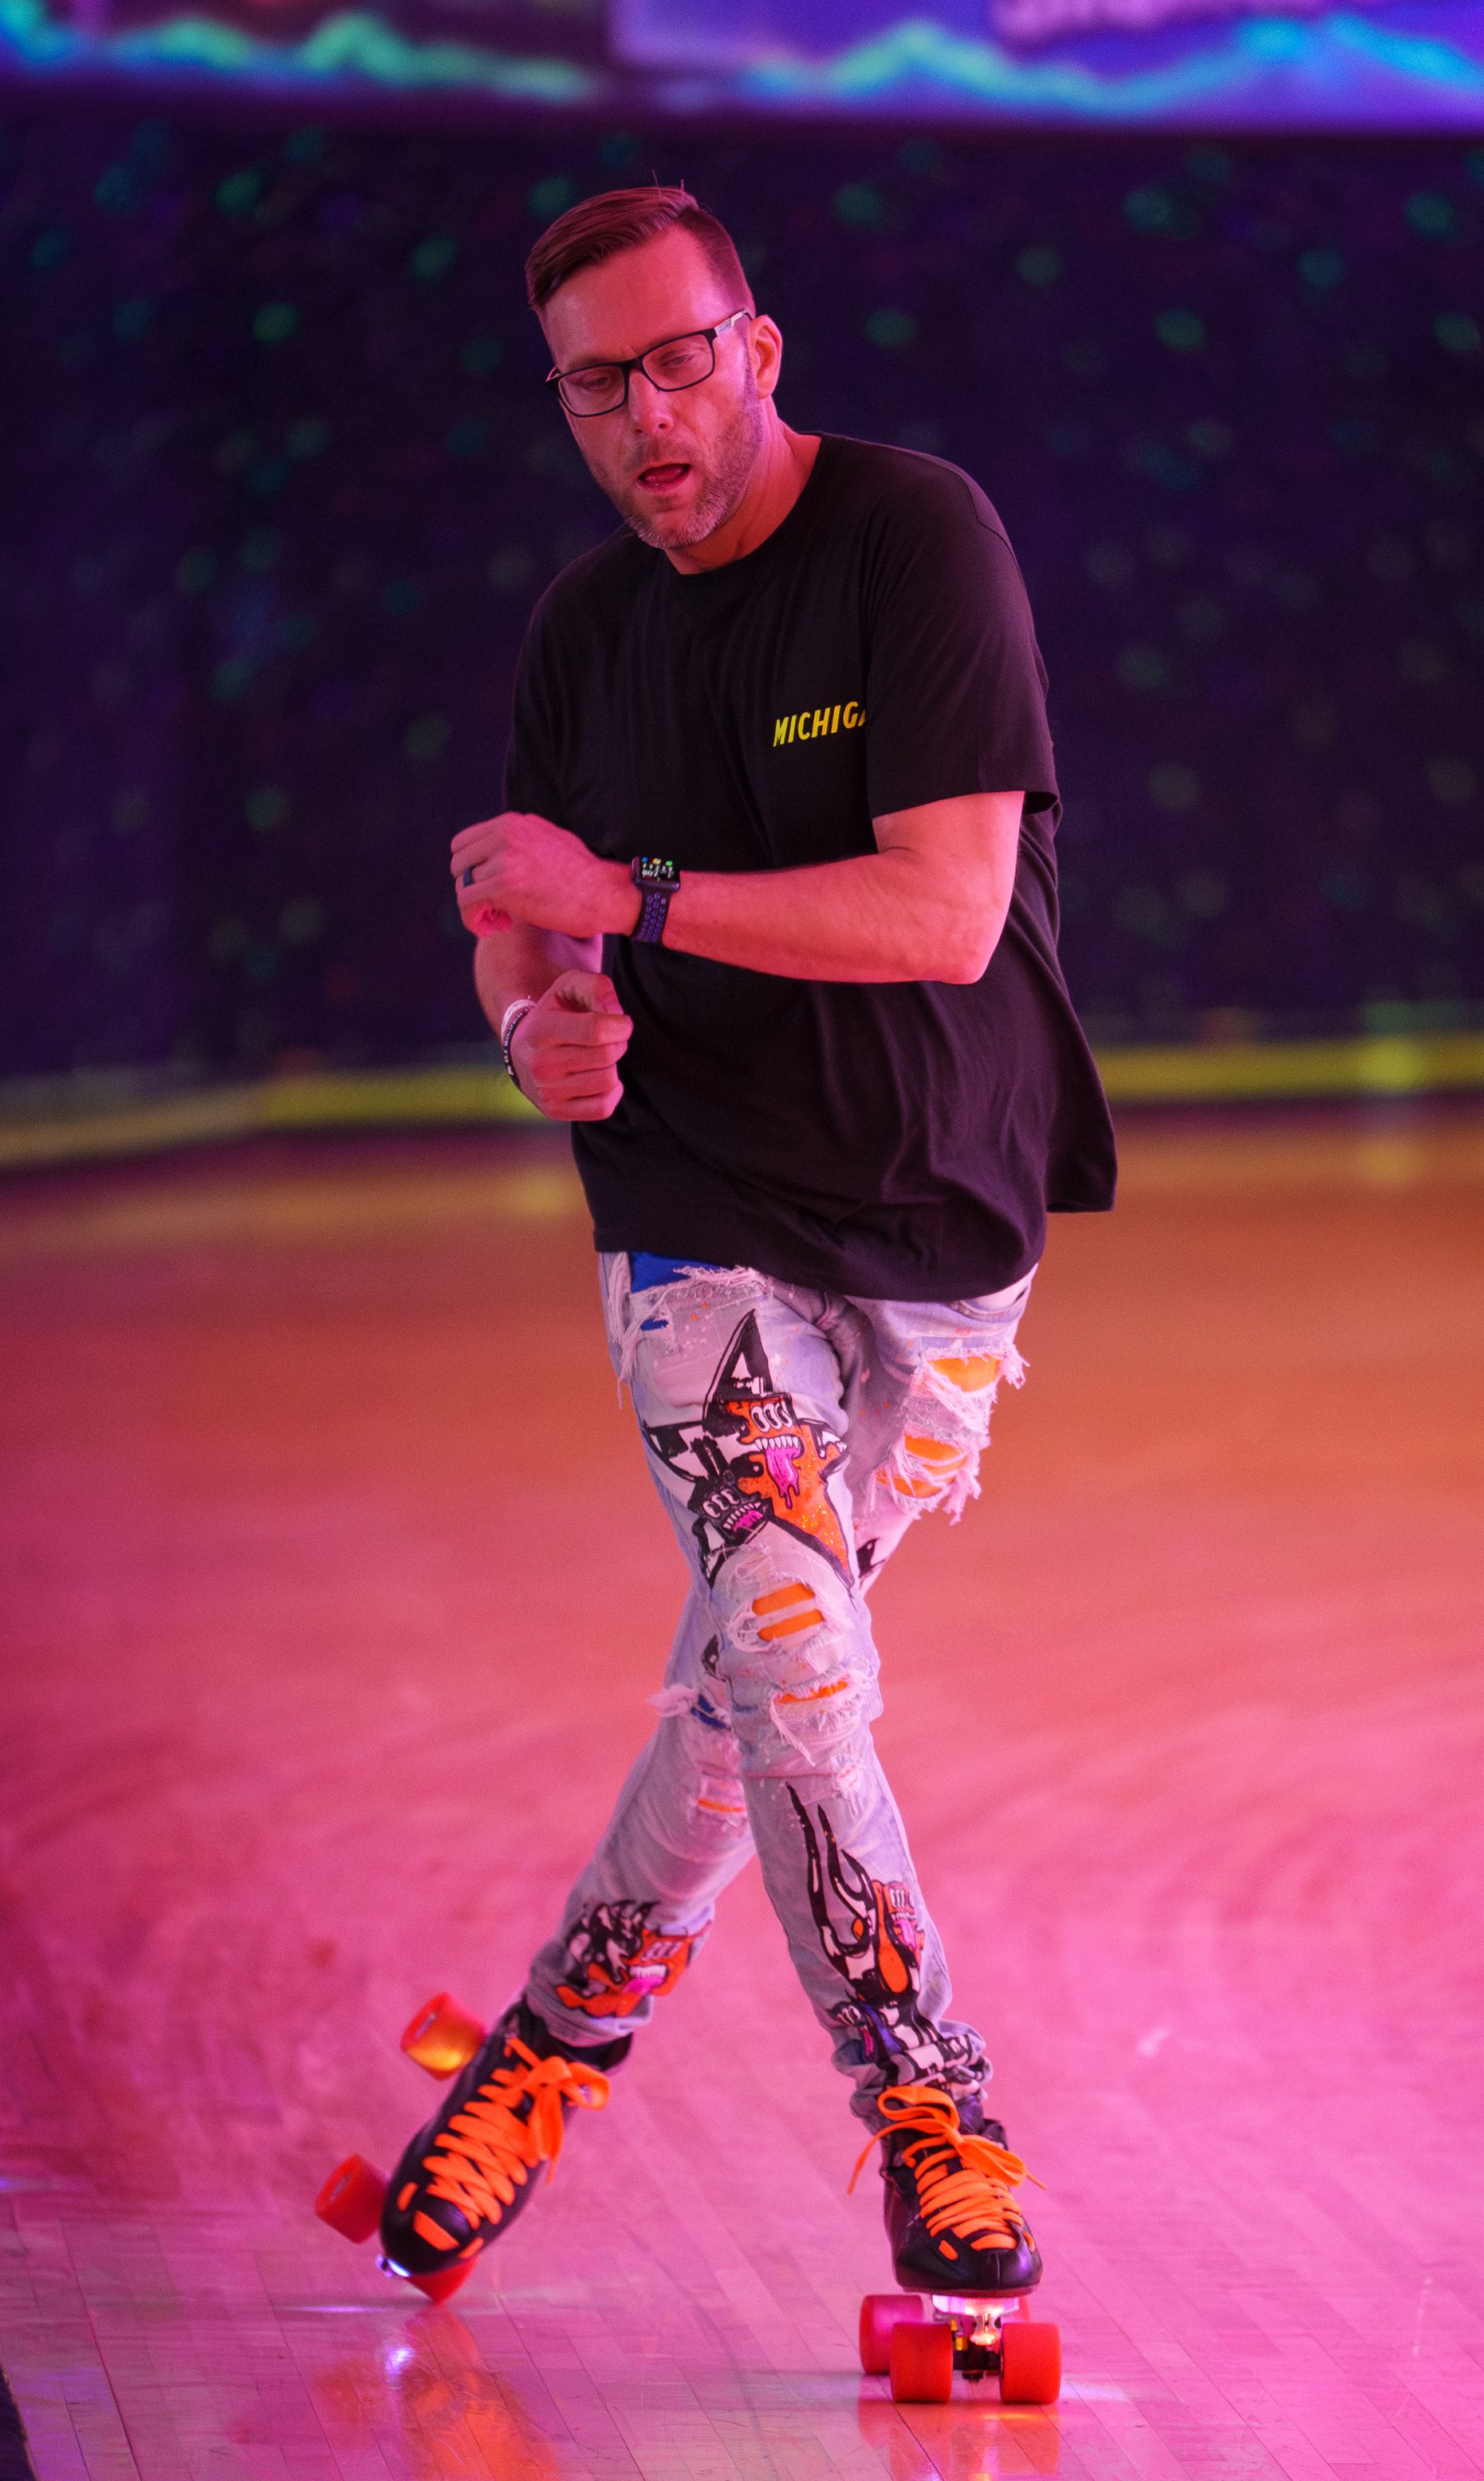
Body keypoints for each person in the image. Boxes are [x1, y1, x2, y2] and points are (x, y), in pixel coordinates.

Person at [375, 185, 1116, 2314]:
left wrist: (624, 902)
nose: (643, 416)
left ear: (758, 350)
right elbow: (524, 909)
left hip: (940, 1227)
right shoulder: (585, 633)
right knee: (795, 1660)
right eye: (594, 386)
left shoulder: (912, 538)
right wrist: (540, 1021)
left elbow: (941, 918)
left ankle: (549, 2044)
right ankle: (933, 2105)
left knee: (752, 1683)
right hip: (694, 1216)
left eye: (675, 359)